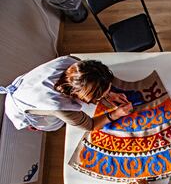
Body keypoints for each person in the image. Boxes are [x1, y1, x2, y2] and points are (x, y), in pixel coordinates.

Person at [0, 56, 133, 131]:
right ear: (83, 97)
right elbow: (90, 125)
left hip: (30, 87)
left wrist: (108, 93)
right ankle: (35, 125)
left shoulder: (72, 62)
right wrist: (116, 114)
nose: (108, 94)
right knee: (52, 123)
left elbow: (93, 80)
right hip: (19, 104)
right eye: (102, 95)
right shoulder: (59, 106)